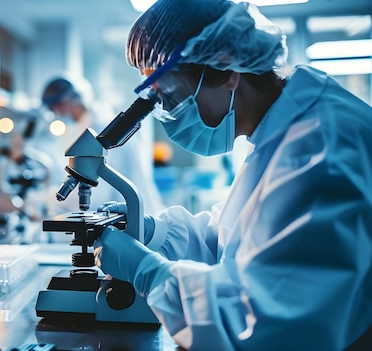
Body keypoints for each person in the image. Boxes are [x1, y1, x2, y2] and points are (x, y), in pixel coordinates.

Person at [92, 1, 372, 350]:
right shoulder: (281, 130)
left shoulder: (322, 147)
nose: (167, 112)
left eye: (172, 96)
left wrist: (149, 273)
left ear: (226, 69)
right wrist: (153, 232)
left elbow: (264, 324)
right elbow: (232, 241)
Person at [31, 76, 165, 215]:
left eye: (60, 105)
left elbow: (101, 188)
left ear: (75, 99)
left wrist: (52, 200)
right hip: (115, 211)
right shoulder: (77, 130)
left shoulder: (105, 130)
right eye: (53, 108)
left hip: (131, 212)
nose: (57, 112)